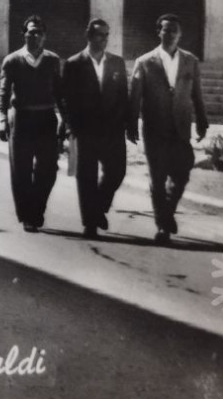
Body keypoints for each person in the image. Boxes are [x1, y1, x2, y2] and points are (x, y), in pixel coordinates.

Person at [129, 13, 209, 244]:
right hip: (155, 128)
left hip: (181, 127)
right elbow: (135, 96)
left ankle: (167, 211)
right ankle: (163, 227)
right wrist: (132, 122)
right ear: (159, 32)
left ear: (180, 34)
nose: (171, 34)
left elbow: (197, 94)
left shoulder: (190, 61)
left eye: (175, 30)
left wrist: (202, 119)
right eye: (166, 30)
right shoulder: (145, 62)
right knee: (158, 177)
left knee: (182, 173)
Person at [60, 18, 136, 240]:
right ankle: (90, 224)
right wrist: (70, 126)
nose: (103, 39)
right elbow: (66, 98)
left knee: (117, 172)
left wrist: (128, 123)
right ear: (89, 36)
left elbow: (124, 95)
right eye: (99, 35)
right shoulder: (74, 63)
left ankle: (99, 206)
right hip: (85, 130)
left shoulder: (117, 63)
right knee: (86, 177)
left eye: (106, 35)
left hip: (112, 129)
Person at [0, 15, 64, 233]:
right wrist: (2, 120)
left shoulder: (53, 60)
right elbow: (4, 92)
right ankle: (28, 215)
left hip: (46, 118)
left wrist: (65, 120)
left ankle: (37, 208)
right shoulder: (12, 60)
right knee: (22, 170)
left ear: (44, 36)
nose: (34, 36)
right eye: (30, 32)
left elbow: (59, 92)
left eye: (38, 32)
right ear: (23, 34)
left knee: (49, 170)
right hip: (22, 119)